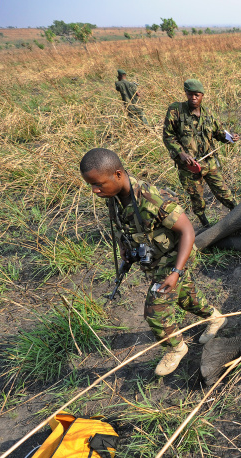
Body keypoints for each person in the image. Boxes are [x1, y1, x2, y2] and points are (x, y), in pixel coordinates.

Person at [80, 148, 226, 376]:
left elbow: (188, 231)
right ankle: (216, 318)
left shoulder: (151, 199)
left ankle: (176, 348)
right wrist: (128, 253)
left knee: (155, 310)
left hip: (175, 259)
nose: (95, 190)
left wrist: (177, 271)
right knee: (186, 297)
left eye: (98, 184)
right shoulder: (115, 196)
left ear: (118, 174)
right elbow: (127, 228)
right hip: (155, 260)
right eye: (91, 185)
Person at [163, 79, 239, 228]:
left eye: (196, 95)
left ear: (202, 95)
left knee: (224, 192)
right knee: (197, 198)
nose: (193, 98)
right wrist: (181, 154)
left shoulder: (208, 114)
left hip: (209, 162)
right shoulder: (176, 111)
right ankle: (205, 224)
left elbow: (219, 133)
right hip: (189, 166)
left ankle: (239, 216)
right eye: (190, 94)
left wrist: (230, 137)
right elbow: (168, 136)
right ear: (185, 93)